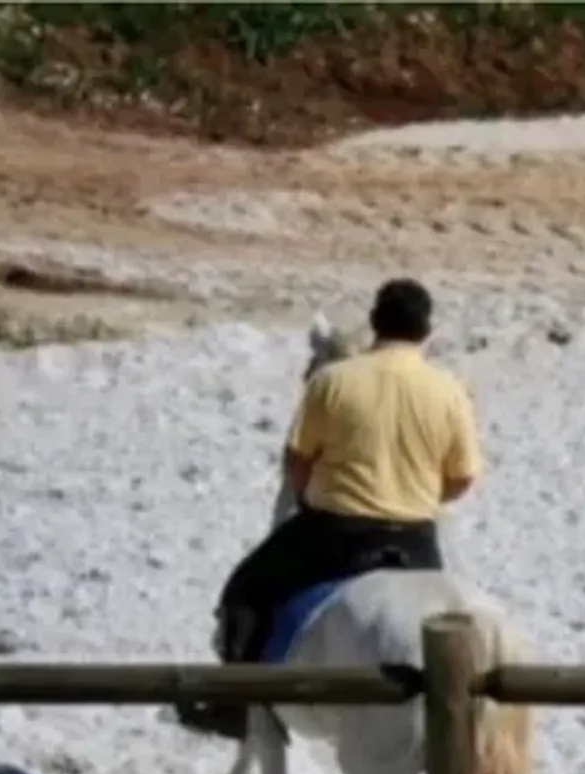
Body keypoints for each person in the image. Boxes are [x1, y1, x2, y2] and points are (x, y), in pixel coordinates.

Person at [176, 277, 482, 741]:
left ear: (375, 323)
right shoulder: (449, 389)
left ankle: (236, 704)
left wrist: (310, 498)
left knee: (244, 595)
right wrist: (416, 497)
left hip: (336, 533)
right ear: (426, 331)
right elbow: (461, 478)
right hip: (417, 538)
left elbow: (297, 461)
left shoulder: (333, 381)